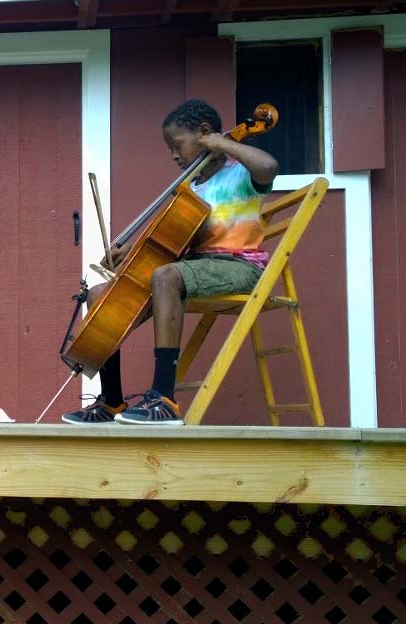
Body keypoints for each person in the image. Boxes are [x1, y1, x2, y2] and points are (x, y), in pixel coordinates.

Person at [62, 98, 279, 426]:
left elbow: (269, 168)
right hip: (192, 268)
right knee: (99, 294)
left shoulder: (240, 177)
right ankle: (112, 402)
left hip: (238, 266)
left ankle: (163, 398)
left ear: (204, 133)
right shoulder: (191, 188)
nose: (174, 155)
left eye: (176, 146)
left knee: (165, 277)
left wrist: (223, 144)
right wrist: (131, 252)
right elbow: (172, 242)